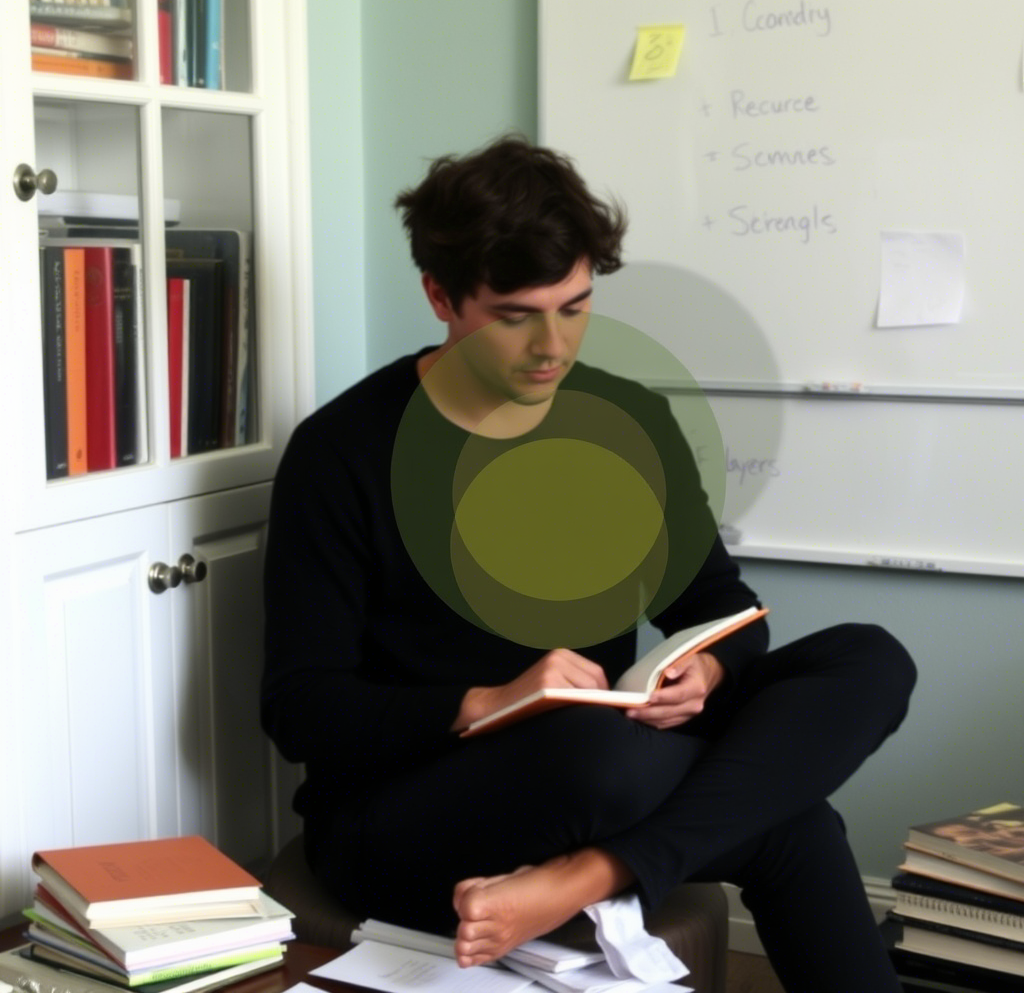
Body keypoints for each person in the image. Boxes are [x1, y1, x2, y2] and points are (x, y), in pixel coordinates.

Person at [260, 135, 917, 991]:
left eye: (574, 306)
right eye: (515, 315)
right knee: (759, 805)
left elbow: (721, 607)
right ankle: (613, 858)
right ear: (440, 296)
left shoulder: (628, 425)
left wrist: (706, 668)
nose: (552, 346)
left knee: (868, 657)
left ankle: (590, 875)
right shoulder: (341, 451)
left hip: (606, 776)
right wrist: (491, 701)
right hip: (407, 815)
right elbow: (300, 708)